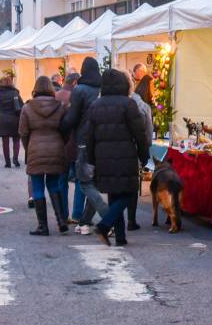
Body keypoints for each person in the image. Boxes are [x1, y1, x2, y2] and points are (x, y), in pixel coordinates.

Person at [86, 69, 149, 246]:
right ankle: (105, 225)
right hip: (125, 155)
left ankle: (120, 238)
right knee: (128, 193)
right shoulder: (128, 104)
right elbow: (140, 134)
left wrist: (91, 160)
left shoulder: (95, 105)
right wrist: (145, 157)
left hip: (102, 157)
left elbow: (89, 136)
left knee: (114, 195)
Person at [59, 57, 109, 235]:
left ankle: (108, 218)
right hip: (102, 141)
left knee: (85, 182)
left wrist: (61, 126)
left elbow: (72, 118)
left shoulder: (79, 90)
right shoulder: (103, 89)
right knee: (92, 182)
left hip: (83, 141)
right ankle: (85, 222)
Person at [19, 76, 68, 235]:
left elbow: (23, 132)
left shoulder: (27, 108)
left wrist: (28, 148)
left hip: (35, 148)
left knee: (38, 187)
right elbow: (65, 129)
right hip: (56, 148)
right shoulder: (59, 107)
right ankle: (61, 221)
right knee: (54, 185)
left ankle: (43, 226)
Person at [125, 69, 153, 231]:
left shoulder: (109, 101)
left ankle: (115, 220)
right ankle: (131, 219)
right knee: (132, 185)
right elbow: (147, 134)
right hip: (133, 150)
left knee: (116, 186)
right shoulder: (142, 106)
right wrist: (145, 153)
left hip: (113, 150)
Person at [55, 72, 80, 223]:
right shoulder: (78, 97)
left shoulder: (56, 96)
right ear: (75, 82)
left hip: (60, 145)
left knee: (61, 182)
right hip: (76, 145)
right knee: (80, 182)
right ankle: (77, 214)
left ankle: (63, 215)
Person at [0, 74, 23, 168]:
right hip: (15, 118)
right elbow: (21, 105)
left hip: (3, 118)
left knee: (5, 142)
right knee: (16, 140)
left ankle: (7, 162)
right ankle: (15, 159)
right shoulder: (15, 93)